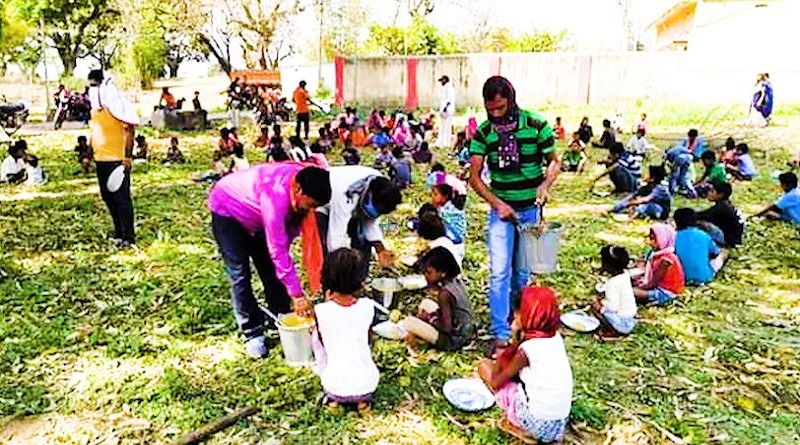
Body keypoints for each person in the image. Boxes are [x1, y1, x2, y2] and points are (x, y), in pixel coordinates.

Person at [468, 76, 560, 352]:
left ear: (511, 100)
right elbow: (474, 177)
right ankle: (499, 331)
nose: (496, 114)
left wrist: (545, 184)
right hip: (501, 211)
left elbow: (555, 161)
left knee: (522, 271)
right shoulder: (484, 133)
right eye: (490, 109)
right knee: (499, 272)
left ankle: (517, 319)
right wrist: (497, 204)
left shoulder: (536, 126)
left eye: (501, 108)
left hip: (530, 211)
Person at [208, 164, 331, 358]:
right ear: (298, 190)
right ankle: (252, 332)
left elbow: (285, 241)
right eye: (311, 205)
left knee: (270, 268)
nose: (312, 210)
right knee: (240, 274)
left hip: (257, 214)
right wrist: (297, 295)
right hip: (228, 210)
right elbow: (278, 249)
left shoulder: (307, 186)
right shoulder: (276, 198)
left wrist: (287, 278)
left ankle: (280, 315)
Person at [478, 287, 572, 444]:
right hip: (558, 423)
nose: (514, 316)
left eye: (516, 312)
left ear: (528, 315)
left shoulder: (526, 350)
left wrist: (513, 340)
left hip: (538, 424)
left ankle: (521, 429)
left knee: (484, 366)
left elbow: (496, 381)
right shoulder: (555, 337)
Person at [314, 248, 378, 413]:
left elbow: (320, 343)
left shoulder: (321, 311)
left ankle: (334, 402)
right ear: (359, 279)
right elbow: (368, 339)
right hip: (367, 383)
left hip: (334, 384)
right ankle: (362, 403)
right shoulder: (368, 306)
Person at [316, 166, 402, 277]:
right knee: (325, 247)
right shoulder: (346, 193)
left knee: (363, 242)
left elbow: (370, 223)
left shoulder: (382, 188)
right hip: (326, 204)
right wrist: (342, 266)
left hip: (356, 206)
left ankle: (359, 277)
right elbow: (336, 237)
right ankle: (332, 282)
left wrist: (380, 250)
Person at [88, 69, 139, 248]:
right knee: (107, 196)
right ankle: (118, 232)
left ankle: (128, 237)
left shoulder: (118, 106)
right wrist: (89, 152)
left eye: (95, 85)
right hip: (100, 158)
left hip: (117, 159)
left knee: (121, 198)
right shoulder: (96, 110)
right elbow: (94, 130)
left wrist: (127, 156)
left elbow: (129, 130)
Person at [399, 247, 474, 350]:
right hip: (465, 329)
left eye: (429, 273)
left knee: (408, 322)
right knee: (425, 303)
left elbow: (447, 328)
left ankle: (419, 336)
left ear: (442, 272)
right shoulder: (455, 281)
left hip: (453, 340)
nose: (425, 276)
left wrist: (431, 318)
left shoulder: (444, 293)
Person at [633, 224, 685, 306]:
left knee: (632, 292)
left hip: (666, 293)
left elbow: (654, 282)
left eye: (652, 239)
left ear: (663, 239)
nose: (649, 242)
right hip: (658, 286)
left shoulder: (666, 260)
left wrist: (639, 287)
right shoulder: (657, 254)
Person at [592, 246, 636, 338]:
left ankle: (613, 331)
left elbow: (612, 307)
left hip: (622, 323)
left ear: (609, 265)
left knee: (596, 309)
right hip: (631, 318)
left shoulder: (612, 283)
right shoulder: (625, 274)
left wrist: (600, 305)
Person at [674, 208, 723, 285]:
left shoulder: (673, 237)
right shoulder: (703, 235)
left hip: (681, 277)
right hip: (705, 277)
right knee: (723, 253)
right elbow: (715, 252)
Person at [696, 181, 745, 248]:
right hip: (735, 238)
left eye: (712, 191)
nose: (709, 193)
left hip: (729, 241)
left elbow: (699, 215)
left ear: (720, 195)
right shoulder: (726, 204)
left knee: (698, 224)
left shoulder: (721, 208)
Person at [436, 75, 456, 148]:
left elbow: (449, 100)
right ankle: (441, 142)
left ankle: (445, 143)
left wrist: (445, 108)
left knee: (446, 127)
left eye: (442, 80)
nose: (441, 82)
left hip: (447, 109)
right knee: (443, 126)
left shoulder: (449, 87)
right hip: (445, 109)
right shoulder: (445, 87)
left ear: (445, 80)